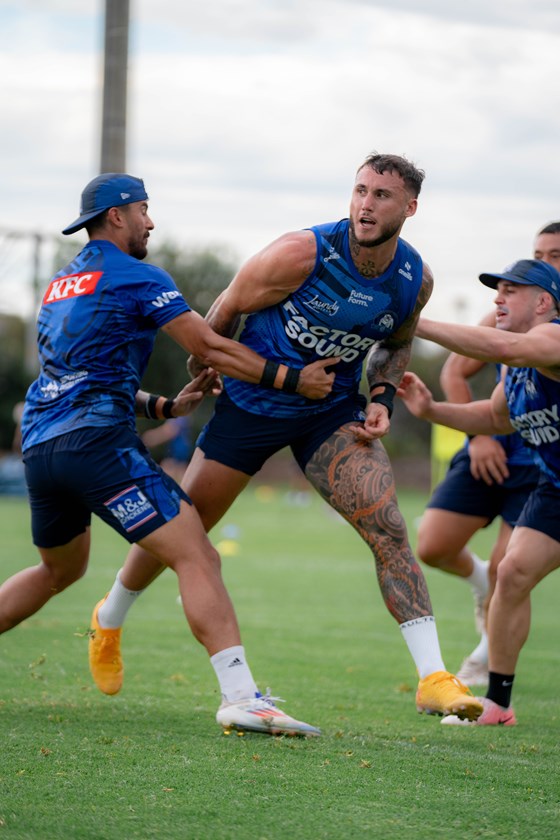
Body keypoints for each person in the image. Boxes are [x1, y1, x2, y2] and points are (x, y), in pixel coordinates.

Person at [91, 153, 482, 725]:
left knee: (389, 525)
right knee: (181, 531)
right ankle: (110, 616)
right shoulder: (300, 253)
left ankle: (434, 678)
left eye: (381, 196)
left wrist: (381, 399)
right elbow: (223, 310)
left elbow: (396, 343)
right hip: (252, 405)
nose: (366, 205)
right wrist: (209, 365)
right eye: (360, 191)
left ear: (410, 208)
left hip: (330, 413)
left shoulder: (413, 279)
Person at [1, 172, 337, 738]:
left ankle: (145, 641)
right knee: (197, 555)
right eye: (144, 211)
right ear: (117, 216)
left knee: (61, 569)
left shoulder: (60, 285)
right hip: (96, 447)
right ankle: (240, 697)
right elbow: (207, 345)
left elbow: (80, 377)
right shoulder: (138, 276)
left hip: (41, 447)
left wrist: (161, 406)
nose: (150, 222)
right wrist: (291, 378)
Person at [398, 257, 560, 725]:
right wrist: (431, 410)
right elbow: (492, 418)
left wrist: (417, 323)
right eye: (497, 291)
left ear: (544, 301)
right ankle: (499, 704)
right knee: (510, 576)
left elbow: (501, 347)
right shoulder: (517, 370)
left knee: (510, 574)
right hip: (555, 490)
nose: (498, 299)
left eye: (511, 291)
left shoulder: (551, 337)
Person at [142, 414, 194, 483]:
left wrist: (152, 438)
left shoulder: (178, 416)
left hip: (176, 454)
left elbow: (170, 431)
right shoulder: (183, 415)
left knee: (162, 478)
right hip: (180, 455)